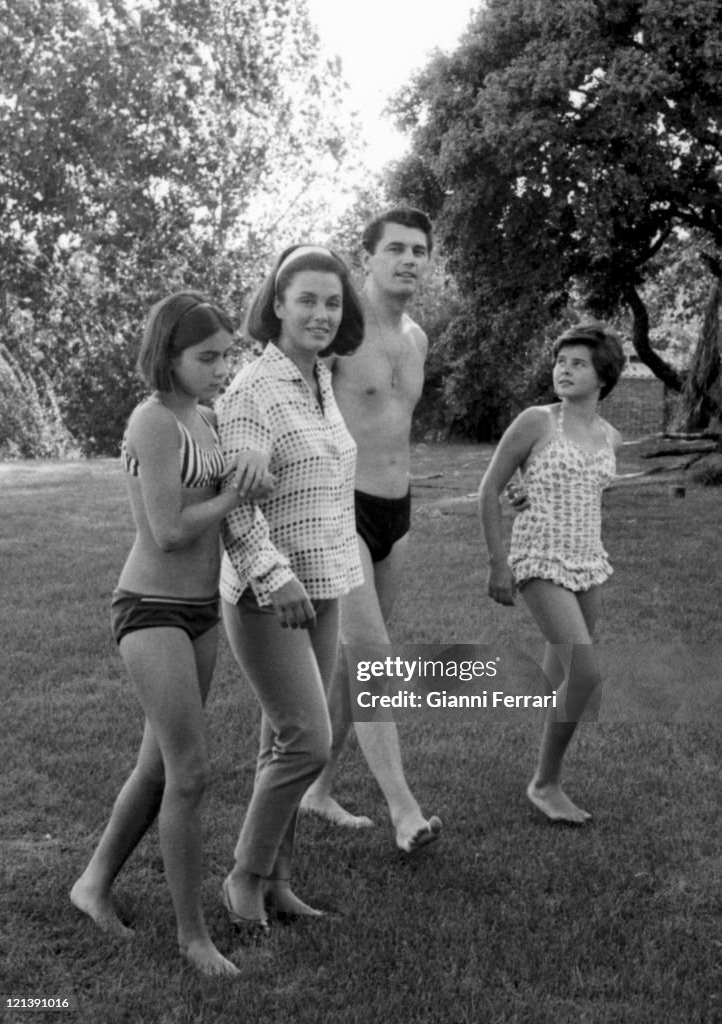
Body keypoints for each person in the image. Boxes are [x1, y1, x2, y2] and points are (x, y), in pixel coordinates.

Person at [70, 292, 273, 976]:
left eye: (226, 355)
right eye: (206, 357)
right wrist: (234, 494)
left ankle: (92, 885)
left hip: (199, 612)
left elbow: (228, 481)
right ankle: (193, 938)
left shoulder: (208, 416)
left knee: (158, 768)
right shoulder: (154, 420)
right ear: (170, 355)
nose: (221, 368)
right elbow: (169, 528)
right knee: (190, 773)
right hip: (150, 608)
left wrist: (247, 466)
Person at [216, 245, 365, 932]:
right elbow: (235, 505)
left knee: (282, 739)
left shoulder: (319, 378)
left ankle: (277, 882)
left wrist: (324, 573)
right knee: (307, 738)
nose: (320, 313)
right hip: (268, 592)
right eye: (306, 299)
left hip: (325, 580)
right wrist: (274, 578)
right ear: (276, 302)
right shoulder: (250, 388)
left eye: (331, 302)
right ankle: (243, 878)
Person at [299, 207, 444, 854]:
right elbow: (290, 399)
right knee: (374, 655)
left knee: (351, 669)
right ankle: (403, 809)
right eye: (395, 249)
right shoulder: (336, 330)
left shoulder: (416, 338)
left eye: (419, 250)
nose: (409, 260)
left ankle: (318, 789)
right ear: (369, 258)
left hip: (396, 511)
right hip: (340, 508)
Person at [478, 321, 625, 824]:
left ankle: (543, 774)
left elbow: (581, 493)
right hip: (539, 557)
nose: (564, 369)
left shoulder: (611, 436)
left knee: (560, 677)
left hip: (589, 560)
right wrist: (500, 562)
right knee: (585, 676)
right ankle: (546, 784)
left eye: (578, 363)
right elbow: (489, 489)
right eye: (561, 361)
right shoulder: (537, 421)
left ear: (603, 375)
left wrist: (531, 491)